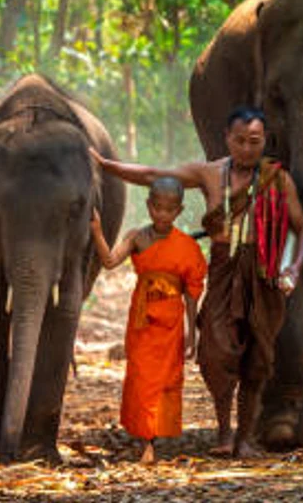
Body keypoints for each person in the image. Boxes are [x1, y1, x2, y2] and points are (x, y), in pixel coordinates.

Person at [92, 106, 303, 457]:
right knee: (214, 353)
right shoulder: (210, 174)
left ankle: (244, 439)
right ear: (227, 139)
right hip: (223, 274)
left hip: (262, 277)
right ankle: (224, 433)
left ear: (265, 141)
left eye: (254, 141)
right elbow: (154, 175)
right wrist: (108, 166)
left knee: (258, 358)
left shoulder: (277, 179)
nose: (246, 149)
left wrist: (294, 269)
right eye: (239, 141)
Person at [89, 176, 207, 465]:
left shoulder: (186, 247)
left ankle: (153, 438)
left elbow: (192, 293)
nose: (162, 214)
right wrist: (97, 231)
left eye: (169, 209)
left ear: (179, 211)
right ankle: (145, 439)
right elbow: (109, 261)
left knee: (165, 380)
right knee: (142, 379)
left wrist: (193, 333)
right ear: (148, 205)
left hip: (171, 324)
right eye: (157, 208)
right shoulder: (136, 237)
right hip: (143, 323)